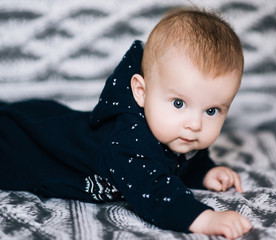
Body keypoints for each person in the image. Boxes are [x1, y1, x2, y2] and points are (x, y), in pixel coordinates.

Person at [0, 7, 252, 239]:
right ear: (141, 92)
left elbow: (179, 159)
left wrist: (205, 171)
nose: (195, 124)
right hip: (22, 144)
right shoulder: (127, 141)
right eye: (178, 103)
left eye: (211, 110)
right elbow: (154, 191)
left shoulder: (174, 131)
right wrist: (204, 218)